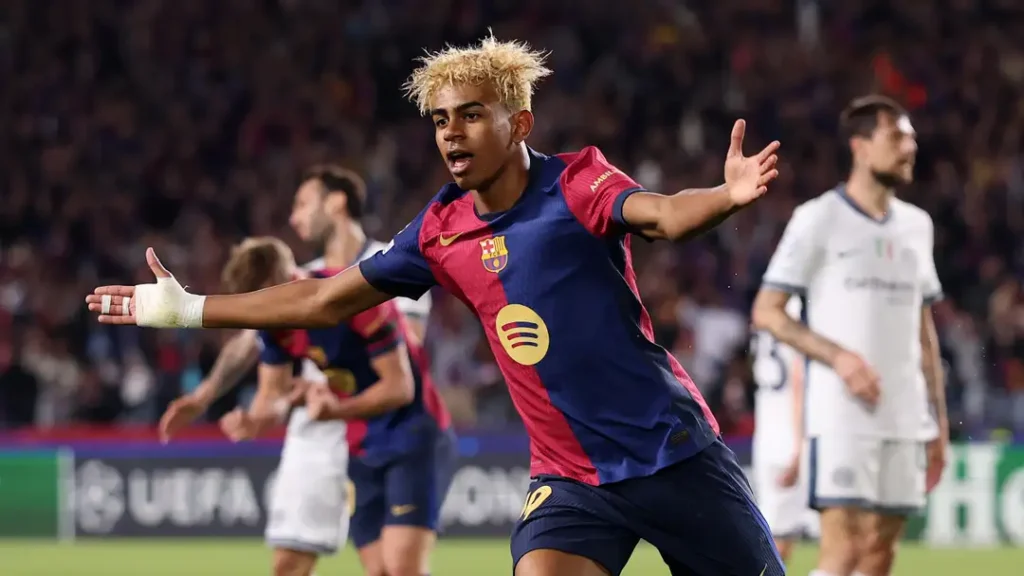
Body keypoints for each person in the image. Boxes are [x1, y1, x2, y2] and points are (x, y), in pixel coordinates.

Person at [87, 34, 784, 576]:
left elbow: (663, 214)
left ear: (520, 123)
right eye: (441, 119)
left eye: (472, 115)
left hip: (671, 453)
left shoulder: (577, 184)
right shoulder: (438, 231)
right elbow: (325, 297)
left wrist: (724, 197)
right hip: (572, 479)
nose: (451, 132)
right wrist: (189, 309)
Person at [157, 166, 432, 576]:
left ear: (335, 203)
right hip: (316, 430)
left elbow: (405, 350)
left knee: (389, 568)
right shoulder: (302, 280)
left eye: (302, 204)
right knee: (289, 563)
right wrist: (206, 394)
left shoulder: (391, 263)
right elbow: (249, 340)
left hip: (378, 422)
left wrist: (329, 385)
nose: (293, 217)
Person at [751, 95, 948, 576]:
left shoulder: (917, 226)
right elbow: (767, 311)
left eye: (911, 139)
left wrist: (939, 423)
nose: (910, 148)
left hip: (905, 415)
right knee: (845, 551)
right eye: (896, 137)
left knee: (881, 553)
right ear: (859, 146)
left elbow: (923, 331)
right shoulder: (818, 218)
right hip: (842, 414)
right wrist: (839, 357)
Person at [214, 237, 454, 576]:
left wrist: (334, 411)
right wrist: (255, 421)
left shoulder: (352, 297)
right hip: (361, 444)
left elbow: (399, 388)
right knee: (380, 571)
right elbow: (273, 396)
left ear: (283, 280)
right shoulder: (275, 326)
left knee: (402, 568)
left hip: (413, 435)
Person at [750, 296, 817, 565]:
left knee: (775, 537)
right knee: (777, 546)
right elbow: (800, 376)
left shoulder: (767, 308)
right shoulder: (801, 308)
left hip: (767, 431)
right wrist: (800, 447)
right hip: (791, 434)